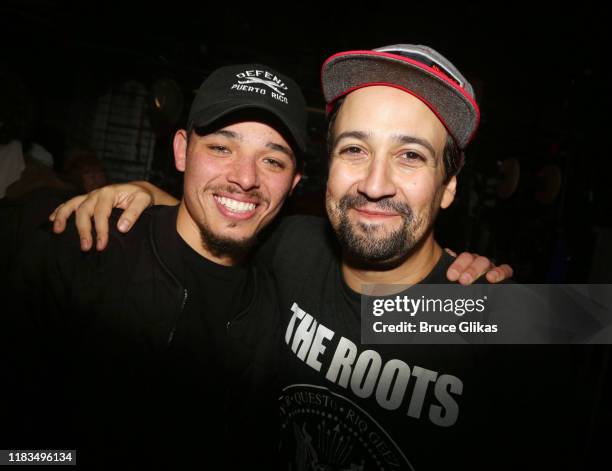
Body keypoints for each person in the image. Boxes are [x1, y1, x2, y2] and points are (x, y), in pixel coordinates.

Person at [50, 46, 524, 469]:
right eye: (355, 149)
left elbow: (589, 325)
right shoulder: (294, 247)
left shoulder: (492, 315)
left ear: (449, 187)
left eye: (411, 156)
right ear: (329, 166)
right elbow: (223, 215)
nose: (375, 184)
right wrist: (142, 193)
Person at [4, 63, 310, 469]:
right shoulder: (85, 243)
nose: (245, 178)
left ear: (293, 183)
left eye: (272, 161)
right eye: (221, 147)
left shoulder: (275, 313)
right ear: (182, 151)